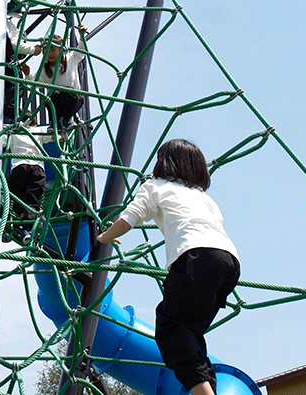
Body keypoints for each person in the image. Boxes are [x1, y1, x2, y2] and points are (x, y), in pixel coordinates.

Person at [97, 139, 241, 395]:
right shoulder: (204, 197)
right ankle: (208, 389)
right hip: (228, 261)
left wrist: (103, 237)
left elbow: (128, 219)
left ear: (164, 162)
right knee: (190, 334)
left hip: (195, 256)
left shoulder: (155, 186)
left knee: (170, 329)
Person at [3, 119, 56, 244]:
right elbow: (53, 137)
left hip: (19, 168)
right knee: (32, 198)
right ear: (35, 123)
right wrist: (63, 135)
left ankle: (10, 225)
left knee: (15, 197)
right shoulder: (37, 131)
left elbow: (1, 142)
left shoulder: (14, 132)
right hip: (36, 168)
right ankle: (26, 229)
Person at [26, 25, 87, 129]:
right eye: (46, 51)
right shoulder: (45, 70)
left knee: (65, 92)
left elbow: (81, 51)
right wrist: (27, 73)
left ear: (61, 49)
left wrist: (82, 37)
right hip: (56, 104)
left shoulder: (70, 58)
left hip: (73, 99)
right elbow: (33, 84)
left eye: (52, 49)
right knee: (53, 95)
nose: (50, 53)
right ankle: (56, 122)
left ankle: (67, 120)